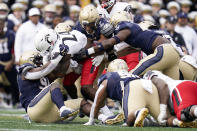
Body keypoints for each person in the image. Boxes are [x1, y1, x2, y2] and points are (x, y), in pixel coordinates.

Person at [74, 11, 182, 80]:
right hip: (173, 53)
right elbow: (127, 50)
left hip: (163, 51)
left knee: (130, 77)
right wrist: (105, 56)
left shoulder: (124, 27)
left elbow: (111, 42)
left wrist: (88, 52)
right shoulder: (134, 32)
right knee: (172, 87)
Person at [85, 59, 161, 127]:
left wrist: (91, 120)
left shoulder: (109, 77)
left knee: (129, 122)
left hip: (133, 89)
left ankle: (136, 113)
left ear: (109, 69)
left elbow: (97, 102)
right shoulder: (133, 75)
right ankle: (155, 120)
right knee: (162, 120)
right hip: (148, 85)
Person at [18, 51, 81, 123]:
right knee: (54, 85)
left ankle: (95, 116)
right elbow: (41, 70)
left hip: (48, 109)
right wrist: (54, 60)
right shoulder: (25, 72)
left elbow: (60, 73)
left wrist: (67, 56)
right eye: (37, 59)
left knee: (82, 102)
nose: (40, 61)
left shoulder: (44, 74)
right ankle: (63, 109)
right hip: (34, 107)